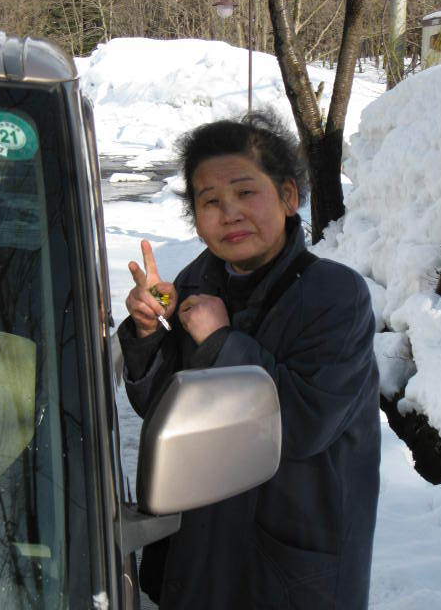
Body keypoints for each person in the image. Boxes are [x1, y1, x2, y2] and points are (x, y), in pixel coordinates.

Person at [118, 112, 381, 610]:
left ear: (287, 197)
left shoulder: (336, 296)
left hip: (287, 572)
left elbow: (300, 424)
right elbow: (163, 407)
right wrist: (148, 331)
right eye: (210, 201)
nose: (229, 213)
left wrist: (219, 340)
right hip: (201, 557)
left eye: (245, 193)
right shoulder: (199, 281)